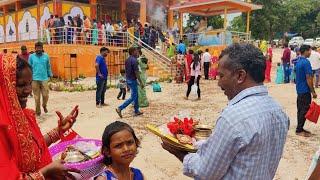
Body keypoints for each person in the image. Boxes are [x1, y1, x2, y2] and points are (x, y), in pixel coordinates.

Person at [162, 43, 289, 179]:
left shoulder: (233, 118)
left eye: (221, 76)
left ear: (240, 76)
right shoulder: (279, 112)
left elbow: (205, 172)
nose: (219, 83)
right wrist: (199, 144)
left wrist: (181, 153)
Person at [0, 54, 80, 179]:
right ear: (4, 86)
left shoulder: (22, 116)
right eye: (21, 85)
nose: (28, 90)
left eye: (30, 84)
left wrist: (58, 132)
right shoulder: (3, 126)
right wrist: (46, 172)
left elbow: (32, 149)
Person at [295, 44, 317, 137]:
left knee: (300, 109)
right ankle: (299, 130)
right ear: (306, 51)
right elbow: (309, 78)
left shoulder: (299, 61)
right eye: (309, 50)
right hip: (305, 90)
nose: (310, 52)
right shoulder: (306, 62)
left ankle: (300, 128)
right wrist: (313, 91)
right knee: (304, 110)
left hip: (300, 89)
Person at [116, 47, 144, 118]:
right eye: (136, 51)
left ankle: (136, 111)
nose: (137, 52)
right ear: (132, 52)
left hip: (129, 79)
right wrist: (140, 82)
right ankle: (120, 108)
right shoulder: (134, 60)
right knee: (133, 97)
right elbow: (136, 72)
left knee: (136, 95)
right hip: (132, 80)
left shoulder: (127, 59)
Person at [28, 42, 52, 116]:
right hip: (34, 79)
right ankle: (38, 112)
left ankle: (44, 105)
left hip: (44, 79)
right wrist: (29, 78)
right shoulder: (31, 57)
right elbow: (29, 68)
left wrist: (50, 75)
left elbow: (48, 66)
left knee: (45, 95)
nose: (39, 49)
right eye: (37, 48)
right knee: (37, 98)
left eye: (40, 48)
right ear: (35, 48)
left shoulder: (46, 56)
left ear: (42, 48)